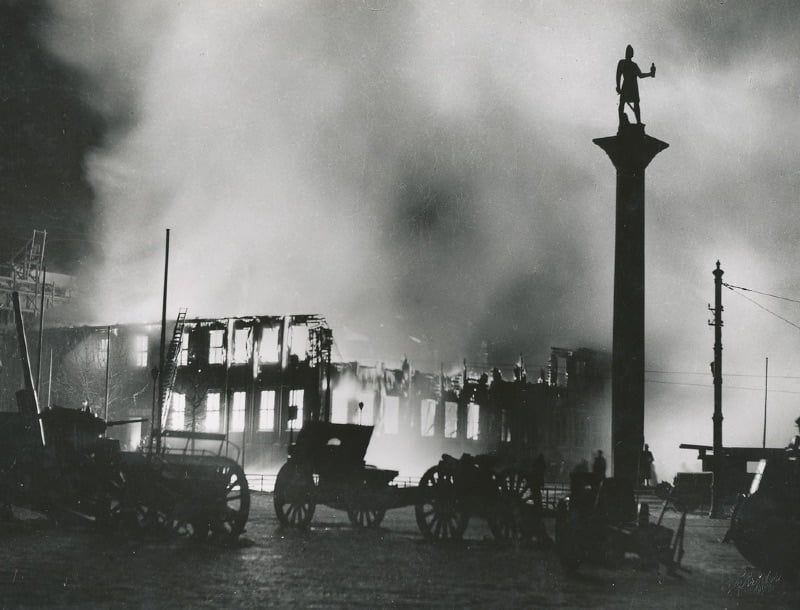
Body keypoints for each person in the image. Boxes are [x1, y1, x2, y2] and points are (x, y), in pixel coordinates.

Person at [616, 44, 655, 126]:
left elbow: (640, 75)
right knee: (622, 103)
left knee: (636, 103)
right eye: (628, 51)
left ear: (632, 54)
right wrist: (618, 86)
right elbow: (618, 75)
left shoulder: (634, 65)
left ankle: (638, 122)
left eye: (630, 52)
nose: (628, 53)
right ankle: (620, 123)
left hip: (633, 86)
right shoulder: (622, 62)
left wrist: (650, 74)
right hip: (626, 85)